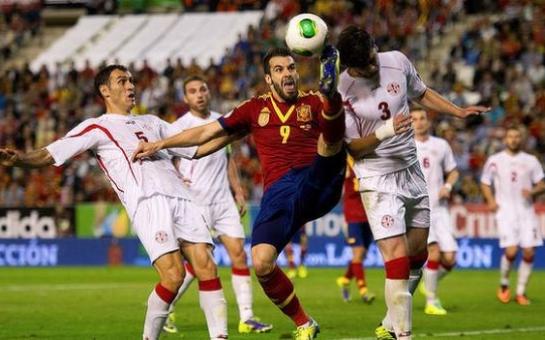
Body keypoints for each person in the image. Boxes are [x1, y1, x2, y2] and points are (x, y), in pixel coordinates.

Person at [0, 65, 232, 340]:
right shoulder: (97, 126)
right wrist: (22, 159)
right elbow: (53, 153)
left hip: (181, 196)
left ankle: (220, 337)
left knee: (207, 266)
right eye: (122, 81)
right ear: (105, 90)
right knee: (173, 276)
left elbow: (197, 149)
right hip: (148, 201)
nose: (131, 86)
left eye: (131, 81)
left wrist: (239, 131)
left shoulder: (153, 122)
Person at [133, 46, 347, 339]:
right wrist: (161, 145)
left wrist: (333, 103)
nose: (287, 74)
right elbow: (208, 134)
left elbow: (343, 137)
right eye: (279, 70)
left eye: (291, 68)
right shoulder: (253, 109)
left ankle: (332, 91)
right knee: (260, 261)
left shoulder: (311, 101)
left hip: (317, 179)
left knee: (329, 142)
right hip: (279, 193)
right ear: (269, 79)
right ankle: (304, 324)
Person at [336, 26, 489, 340]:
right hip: (377, 176)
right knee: (397, 257)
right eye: (367, 64)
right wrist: (385, 131)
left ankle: (391, 324)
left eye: (373, 55)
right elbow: (352, 147)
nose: (374, 65)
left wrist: (457, 112)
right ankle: (403, 335)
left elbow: (421, 92)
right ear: (352, 66)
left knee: (418, 257)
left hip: (411, 169)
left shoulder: (395, 60)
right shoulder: (343, 89)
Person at [163, 75, 272, 334]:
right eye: (192, 91)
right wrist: (178, 184)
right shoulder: (178, 127)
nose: (199, 94)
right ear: (185, 97)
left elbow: (228, 158)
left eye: (203, 89)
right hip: (195, 202)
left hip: (223, 199)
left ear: (208, 92)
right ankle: (165, 308)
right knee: (197, 264)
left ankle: (246, 317)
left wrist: (238, 190)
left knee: (239, 254)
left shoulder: (222, 120)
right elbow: (166, 161)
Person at [480, 125, 545, 306]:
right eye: (510, 136)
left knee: (530, 251)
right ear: (505, 139)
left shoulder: (531, 160)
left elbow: (542, 184)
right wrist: (491, 201)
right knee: (511, 250)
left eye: (517, 136)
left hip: (526, 212)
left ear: (521, 139)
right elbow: (485, 183)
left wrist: (532, 192)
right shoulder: (495, 160)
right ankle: (504, 284)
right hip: (505, 212)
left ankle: (521, 292)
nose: (514, 139)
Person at [413, 109, 459, 315]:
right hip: (419, 208)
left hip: (440, 209)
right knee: (434, 252)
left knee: (450, 259)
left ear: (428, 121)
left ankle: (428, 281)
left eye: (422, 118)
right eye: (414, 119)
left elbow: (454, 171)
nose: (419, 122)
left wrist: (447, 187)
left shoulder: (441, 145)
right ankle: (431, 301)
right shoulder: (405, 145)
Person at [336, 156, 376, 303]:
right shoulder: (347, 162)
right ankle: (364, 290)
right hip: (352, 216)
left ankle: (345, 280)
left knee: (362, 255)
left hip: (369, 214)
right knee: (358, 253)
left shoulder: (369, 160)